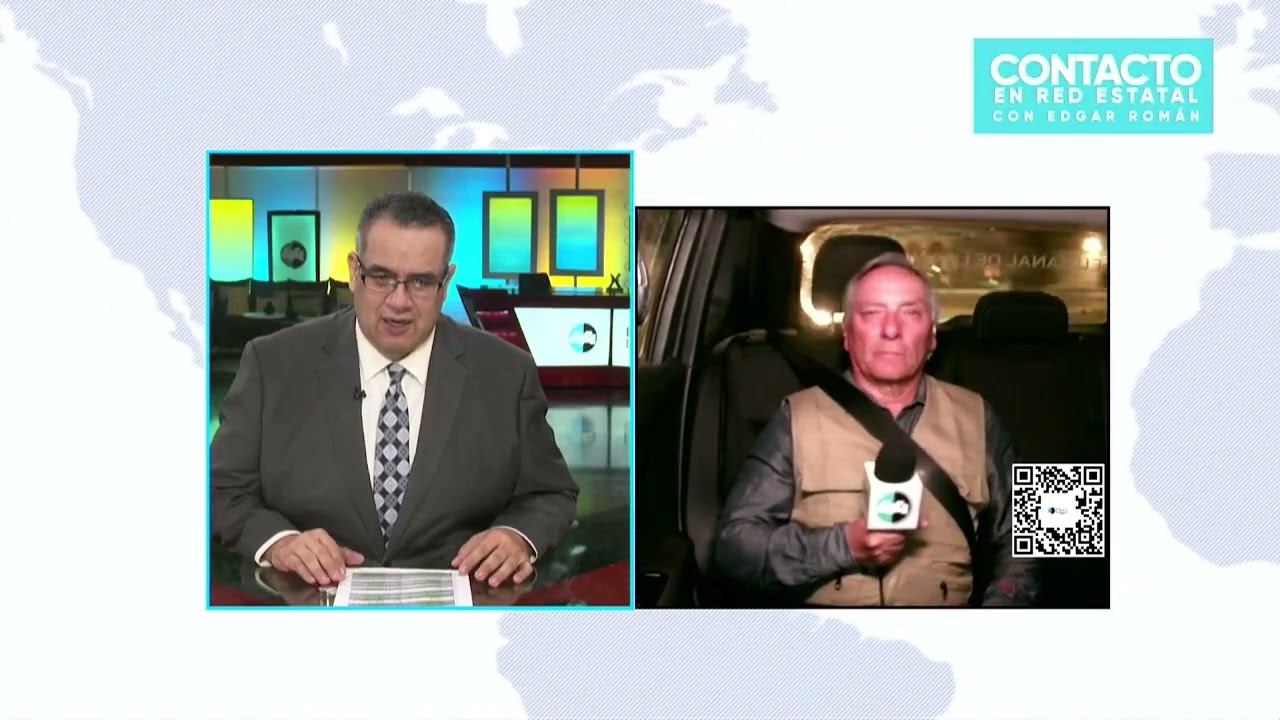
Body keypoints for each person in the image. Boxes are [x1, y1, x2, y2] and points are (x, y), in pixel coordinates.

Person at [211, 191, 578, 590]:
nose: (398, 302)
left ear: (445, 282)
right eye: (381, 277)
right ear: (354, 271)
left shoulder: (506, 372)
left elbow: (550, 493)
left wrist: (516, 536)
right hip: (306, 604)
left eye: (421, 281)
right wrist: (279, 543)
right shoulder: (273, 364)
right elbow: (221, 489)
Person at [713, 252, 1038, 606]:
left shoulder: (978, 413)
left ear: (932, 334)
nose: (891, 330)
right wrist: (843, 546)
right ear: (847, 333)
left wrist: (998, 615)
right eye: (872, 313)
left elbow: (1037, 540)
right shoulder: (796, 416)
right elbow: (732, 549)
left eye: (910, 313)